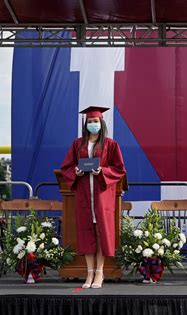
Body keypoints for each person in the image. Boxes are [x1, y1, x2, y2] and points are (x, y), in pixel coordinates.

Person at [61, 106, 126, 289]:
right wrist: (76, 171)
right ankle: (89, 273)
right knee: (86, 233)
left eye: (95, 121)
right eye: (90, 121)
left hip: (102, 195)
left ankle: (100, 272)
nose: (93, 124)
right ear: (85, 124)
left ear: (101, 123)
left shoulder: (111, 144)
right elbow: (66, 167)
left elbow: (119, 169)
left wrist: (102, 171)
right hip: (84, 194)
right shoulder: (77, 144)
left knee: (101, 234)